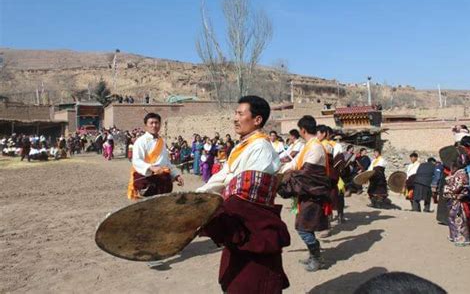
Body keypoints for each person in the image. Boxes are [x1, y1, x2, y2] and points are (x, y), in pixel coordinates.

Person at [196, 96, 290, 293]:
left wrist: (212, 213)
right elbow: (225, 175)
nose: (235, 118)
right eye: (235, 113)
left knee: (253, 282)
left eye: (240, 114)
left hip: (252, 227)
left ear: (257, 120)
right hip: (238, 224)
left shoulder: (262, 148)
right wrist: (197, 198)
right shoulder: (242, 146)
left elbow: (246, 196)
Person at [278, 115, 331, 272]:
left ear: (302, 130)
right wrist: (280, 171)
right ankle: (313, 255)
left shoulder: (315, 147)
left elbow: (307, 174)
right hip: (307, 194)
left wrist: (283, 181)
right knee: (305, 226)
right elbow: (295, 164)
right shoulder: (309, 145)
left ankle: (317, 258)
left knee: (303, 227)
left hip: (313, 193)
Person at [127, 113, 184, 200]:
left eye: (156, 123)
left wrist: (176, 175)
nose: (154, 125)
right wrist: (151, 168)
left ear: (160, 124)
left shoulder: (162, 142)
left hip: (163, 181)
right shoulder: (140, 141)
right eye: (151, 123)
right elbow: (137, 161)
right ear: (146, 125)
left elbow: (167, 163)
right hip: (147, 181)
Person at [443, 146, 470, 246]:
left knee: (459, 221)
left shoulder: (461, 174)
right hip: (453, 201)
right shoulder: (456, 173)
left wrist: (447, 189)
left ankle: (462, 239)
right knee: (451, 219)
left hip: (458, 201)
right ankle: (453, 236)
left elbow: (456, 188)